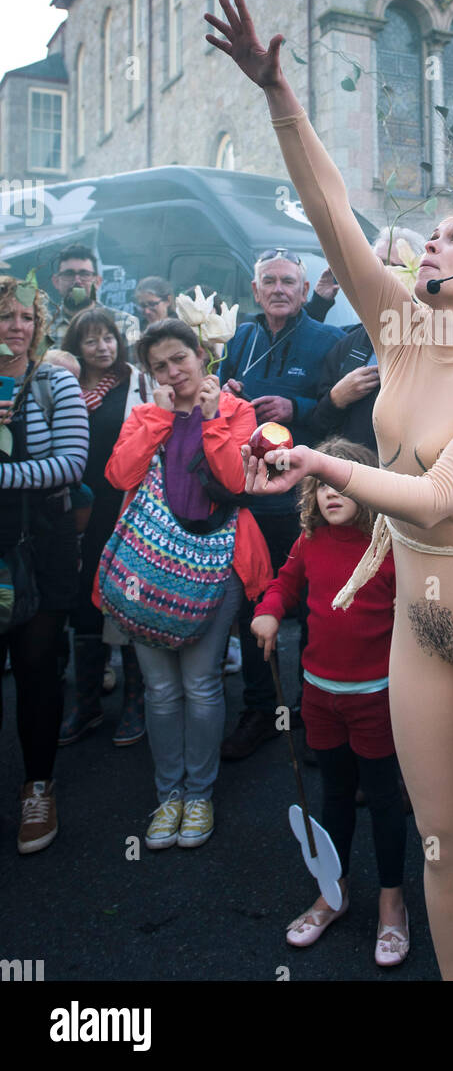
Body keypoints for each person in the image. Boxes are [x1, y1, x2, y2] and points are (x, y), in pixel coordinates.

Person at [206, 0, 453, 981]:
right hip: (418, 620)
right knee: (442, 850)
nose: (433, 245)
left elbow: (437, 495)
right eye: (434, 235)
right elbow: (331, 206)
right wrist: (280, 91)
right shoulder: (399, 327)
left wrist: (324, 460)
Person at [105, 317, 272, 850]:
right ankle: (167, 795)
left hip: (215, 566)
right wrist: (157, 418)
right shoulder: (145, 415)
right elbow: (119, 476)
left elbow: (233, 480)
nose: (173, 372)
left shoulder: (237, 410)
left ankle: (198, 794)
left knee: (200, 685)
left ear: (202, 356)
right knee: (160, 689)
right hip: (149, 571)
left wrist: (212, 417)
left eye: (180, 359)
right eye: (160, 366)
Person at [252, 438, 409, 965]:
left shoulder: (389, 544)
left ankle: (393, 903)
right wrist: (269, 609)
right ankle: (333, 892)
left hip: (376, 698)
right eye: (318, 484)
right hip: (319, 696)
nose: (327, 493)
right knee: (335, 796)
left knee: (385, 800)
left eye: (338, 481)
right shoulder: (309, 540)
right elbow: (285, 583)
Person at [217, 249, 342, 761]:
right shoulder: (238, 338)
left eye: (288, 281)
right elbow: (217, 405)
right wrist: (222, 394)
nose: (278, 289)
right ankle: (261, 710)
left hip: (303, 500)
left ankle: (315, 714)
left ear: (305, 287)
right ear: (255, 290)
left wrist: (300, 408)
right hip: (248, 500)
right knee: (255, 608)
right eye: (268, 281)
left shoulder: (328, 340)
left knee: (315, 608)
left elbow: (344, 413)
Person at [0, 274, 89, 853]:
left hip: (40, 546)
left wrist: (3, 476)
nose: (16, 328)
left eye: (26, 318)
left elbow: (71, 464)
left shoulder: (55, 381)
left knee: (36, 670)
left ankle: (38, 787)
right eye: (5, 317)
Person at [58, 308, 152, 747]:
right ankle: (88, 702)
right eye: (91, 340)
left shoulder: (136, 381)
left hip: (124, 506)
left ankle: (135, 701)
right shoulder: (64, 386)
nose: (103, 347)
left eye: (109, 338)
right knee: (83, 602)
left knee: (125, 597)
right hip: (77, 509)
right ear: (75, 348)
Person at [307, 227, 427, 454]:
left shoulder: (439, 338)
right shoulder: (348, 344)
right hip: (350, 480)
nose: (382, 272)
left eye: (396, 266)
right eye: (376, 263)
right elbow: (317, 426)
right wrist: (336, 398)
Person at [48, 245, 140, 348]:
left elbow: (132, 364)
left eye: (85, 274)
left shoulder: (126, 324)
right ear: (56, 282)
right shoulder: (42, 326)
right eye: (69, 274)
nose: (77, 281)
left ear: (97, 282)